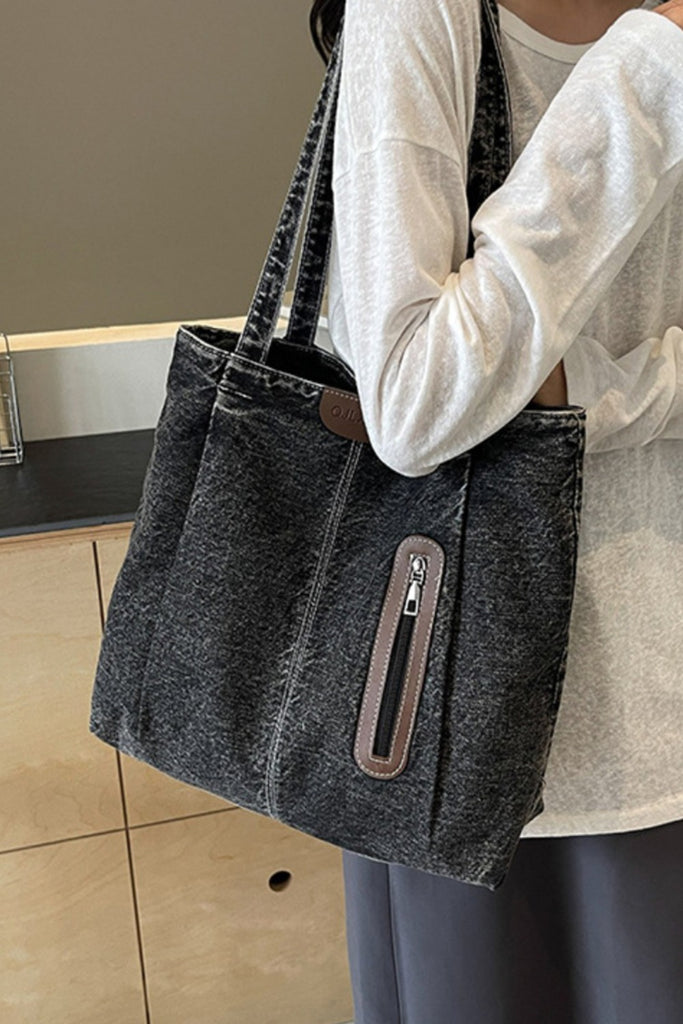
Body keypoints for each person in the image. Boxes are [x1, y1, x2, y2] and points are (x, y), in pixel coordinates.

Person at [309, 0, 683, 1020]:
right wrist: (649, 68)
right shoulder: (419, 14)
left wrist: (576, 390)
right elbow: (413, 400)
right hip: (463, 731)